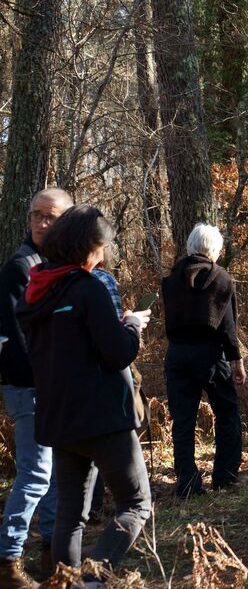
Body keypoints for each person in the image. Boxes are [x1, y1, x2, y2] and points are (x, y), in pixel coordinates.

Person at [16, 205, 152, 575]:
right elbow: (118, 353)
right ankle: (93, 575)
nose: (104, 254)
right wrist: (131, 326)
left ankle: (66, 582)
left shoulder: (37, 290)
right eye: (101, 246)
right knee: (136, 504)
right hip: (102, 417)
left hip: (59, 417)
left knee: (70, 514)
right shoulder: (87, 288)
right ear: (87, 246)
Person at [0, 188, 72, 585]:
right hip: (30, 386)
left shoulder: (58, 263)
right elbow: (17, 338)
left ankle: (53, 555)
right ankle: (8, 560)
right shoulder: (20, 267)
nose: (43, 223)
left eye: (51, 216)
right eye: (36, 216)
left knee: (59, 472)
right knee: (36, 474)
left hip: (54, 386)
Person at [161, 224, 246, 498]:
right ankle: (225, 475)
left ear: (190, 247)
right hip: (211, 354)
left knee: (183, 420)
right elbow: (228, 328)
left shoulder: (171, 279)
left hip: (177, 354)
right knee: (227, 413)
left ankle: (187, 481)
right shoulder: (222, 279)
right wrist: (236, 361)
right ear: (215, 250)